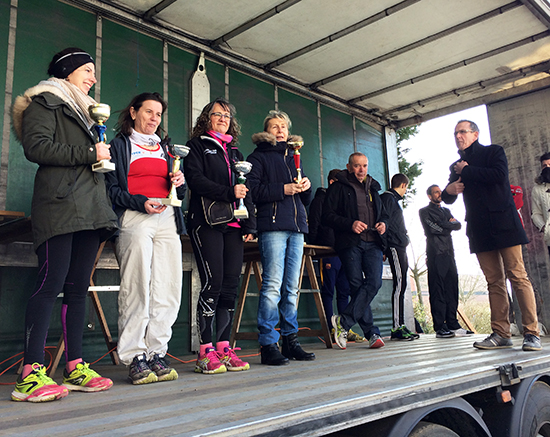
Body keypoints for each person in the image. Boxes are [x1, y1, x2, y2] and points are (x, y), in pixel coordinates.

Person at [10, 47, 119, 402]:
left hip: (89, 210)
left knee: (77, 289)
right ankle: (30, 373)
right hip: (58, 206)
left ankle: (75, 366)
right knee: (50, 283)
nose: (93, 78)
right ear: (67, 71)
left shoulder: (86, 114)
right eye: (87, 70)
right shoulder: (45, 102)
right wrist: (90, 154)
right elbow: (36, 147)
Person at [105, 92, 186, 384]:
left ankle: (156, 352)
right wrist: (141, 202)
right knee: (136, 283)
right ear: (133, 112)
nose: (155, 118)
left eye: (159, 114)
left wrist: (180, 181)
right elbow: (111, 190)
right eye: (149, 112)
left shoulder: (166, 148)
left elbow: (180, 192)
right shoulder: (119, 145)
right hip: (135, 214)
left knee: (168, 284)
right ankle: (135, 356)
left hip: (166, 216)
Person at [441, 120, 541, 351]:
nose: (458, 136)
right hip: (478, 227)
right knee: (494, 282)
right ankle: (500, 333)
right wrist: (449, 190)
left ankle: (531, 333)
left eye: (462, 132)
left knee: (517, 276)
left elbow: (498, 175)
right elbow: (447, 196)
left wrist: (466, 171)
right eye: (455, 132)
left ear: (475, 134)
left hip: (504, 222)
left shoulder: (493, 152)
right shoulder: (456, 165)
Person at [184, 98, 255, 374]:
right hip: (207, 222)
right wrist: (228, 193)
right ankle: (205, 352)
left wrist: (250, 225)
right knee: (211, 283)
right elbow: (196, 181)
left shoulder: (236, 152)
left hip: (235, 227)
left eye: (227, 115)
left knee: (229, 286)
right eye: (217, 114)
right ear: (206, 118)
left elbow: (245, 189)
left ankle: (224, 348)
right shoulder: (197, 146)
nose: (223, 118)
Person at [247, 110, 315, 365]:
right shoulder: (258, 156)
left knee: (291, 288)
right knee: (272, 286)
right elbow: (251, 190)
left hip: (297, 227)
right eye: (274, 126)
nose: (280, 130)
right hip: (272, 226)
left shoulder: (294, 156)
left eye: (283, 126)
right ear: (267, 131)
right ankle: (267, 343)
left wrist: (305, 187)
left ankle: (290, 340)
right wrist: (283, 189)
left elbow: (304, 200)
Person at [322, 152, 389, 350]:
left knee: (374, 283)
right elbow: (327, 216)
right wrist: (350, 224)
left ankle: (343, 321)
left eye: (365, 166)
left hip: (373, 242)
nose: (361, 170)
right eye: (357, 166)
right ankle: (372, 333)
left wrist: (384, 223)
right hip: (350, 242)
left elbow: (383, 214)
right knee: (356, 285)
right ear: (349, 167)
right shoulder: (338, 187)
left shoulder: (374, 188)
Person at [308, 169, 365, 343]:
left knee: (344, 291)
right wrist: (315, 248)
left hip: (343, 251)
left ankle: (345, 329)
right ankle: (329, 329)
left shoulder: (345, 201)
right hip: (326, 251)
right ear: (332, 183)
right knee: (327, 290)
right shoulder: (320, 200)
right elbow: (315, 224)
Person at [419, 184, 473, 338]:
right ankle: (440, 326)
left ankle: (452, 323)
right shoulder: (424, 211)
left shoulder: (446, 210)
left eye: (439, 191)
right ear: (430, 196)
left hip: (449, 253)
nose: (439, 193)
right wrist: (447, 225)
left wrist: (444, 225)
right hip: (435, 253)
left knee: (452, 288)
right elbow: (432, 229)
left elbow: (458, 225)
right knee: (437, 290)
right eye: (436, 192)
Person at [380, 173, 418, 341]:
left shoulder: (393, 200)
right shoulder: (388, 199)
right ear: (403, 185)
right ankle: (396, 327)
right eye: (406, 187)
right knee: (399, 285)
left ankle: (401, 325)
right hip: (394, 246)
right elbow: (383, 223)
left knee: (402, 285)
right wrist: (384, 248)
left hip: (400, 245)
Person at [531, 152, 550, 257]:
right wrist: (544, 227)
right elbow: (535, 213)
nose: (547, 168)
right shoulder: (537, 189)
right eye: (544, 166)